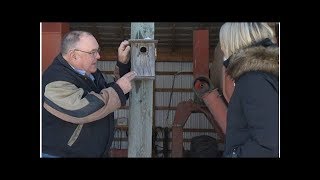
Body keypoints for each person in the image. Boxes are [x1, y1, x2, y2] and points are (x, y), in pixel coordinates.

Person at [42, 30, 136, 158]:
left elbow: (113, 95)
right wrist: (118, 90)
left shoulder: (89, 74)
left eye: (97, 51)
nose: (98, 56)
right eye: (92, 52)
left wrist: (122, 64)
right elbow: (84, 109)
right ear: (74, 55)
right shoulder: (54, 81)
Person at [219, 23, 279, 157]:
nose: (223, 49)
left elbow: (268, 144)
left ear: (234, 42)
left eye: (224, 43)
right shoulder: (265, 75)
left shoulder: (253, 79)